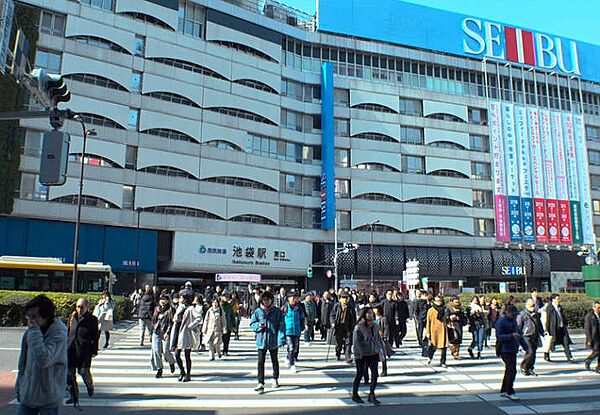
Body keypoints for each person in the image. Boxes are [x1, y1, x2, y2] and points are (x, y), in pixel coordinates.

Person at [15, 295, 68, 415]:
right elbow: (23, 362)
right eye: (28, 316)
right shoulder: (30, 332)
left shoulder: (59, 334)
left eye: (34, 316)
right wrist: (20, 386)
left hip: (49, 397)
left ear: (46, 317)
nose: (30, 320)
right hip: (28, 394)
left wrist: (34, 331)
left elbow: (44, 360)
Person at [250, 291, 285, 394]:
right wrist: (258, 326)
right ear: (262, 300)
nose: (266, 301)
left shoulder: (276, 311)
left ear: (271, 300)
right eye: (265, 299)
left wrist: (281, 338)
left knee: (274, 360)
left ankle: (275, 378)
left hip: (273, 340)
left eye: (268, 299)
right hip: (261, 341)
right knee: (261, 362)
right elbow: (252, 323)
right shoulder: (257, 311)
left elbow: (281, 325)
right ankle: (260, 382)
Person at [66, 298, 99, 407]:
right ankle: (74, 396)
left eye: (82, 307)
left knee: (83, 372)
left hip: (84, 351)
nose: (79, 309)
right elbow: (68, 331)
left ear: (87, 307)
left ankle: (89, 385)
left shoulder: (92, 319)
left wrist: (94, 350)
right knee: (70, 374)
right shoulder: (72, 317)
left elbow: (95, 336)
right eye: (78, 306)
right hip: (71, 349)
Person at [496, 305, 529, 401]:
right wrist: (511, 336)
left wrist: (525, 347)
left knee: (509, 370)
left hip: (513, 348)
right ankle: (509, 390)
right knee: (512, 370)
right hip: (504, 349)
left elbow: (519, 335)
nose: (514, 316)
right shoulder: (501, 322)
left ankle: (504, 389)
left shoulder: (514, 321)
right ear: (508, 313)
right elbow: (499, 337)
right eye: (513, 314)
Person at [351, 307, 382, 405]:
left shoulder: (375, 325)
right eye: (368, 313)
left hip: (373, 352)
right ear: (364, 314)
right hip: (362, 353)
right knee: (360, 374)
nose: (370, 315)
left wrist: (381, 350)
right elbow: (356, 342)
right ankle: (355, 394)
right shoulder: (359, 327)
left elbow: (378, 339)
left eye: (371, 313)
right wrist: (358, 354)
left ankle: (372, 394)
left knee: (375, 373)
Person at [541, 294, 574, 362]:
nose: (559, 300)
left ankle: (569, 356)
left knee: (566, 342)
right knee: (551, 343)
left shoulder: (559, 307)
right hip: (553, 328)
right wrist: (546, 329)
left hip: (561, 327)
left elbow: (562, 316)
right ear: (553, 300)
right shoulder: (550, 307)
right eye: (557, 299)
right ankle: (546, 354)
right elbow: (547, 319)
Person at [151, 295, 176, 378]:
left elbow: (171, 322)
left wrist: (168, 332)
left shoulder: (170, 310)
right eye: (161, 299)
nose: (162, 301)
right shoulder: (157, 309)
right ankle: (159, 369)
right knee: (156, 351)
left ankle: (171, 362)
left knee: (166, 351)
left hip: (165, 332)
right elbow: (153, 321)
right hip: (156, 332)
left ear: (168, 301)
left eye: (164, 299)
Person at [517, 298, 543, 376]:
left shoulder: (536, 313)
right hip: (526, 335)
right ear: (527, 304)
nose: (532, 305)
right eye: (531, 304)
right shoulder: (522, 313)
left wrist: (543, 332)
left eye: (533, 304)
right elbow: (519, 325)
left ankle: (530, 368)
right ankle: (524, 367)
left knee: (533, 353)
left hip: (534, 335)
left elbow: (539, 324)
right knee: (530, 351)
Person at [172, 294, 194, 382]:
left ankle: (188, 374)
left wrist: (191, 325)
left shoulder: (190, 309)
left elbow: (199, 318)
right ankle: (182, 371)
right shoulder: (178, 307)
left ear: (185, 299)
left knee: (187, 355)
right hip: (177, 333)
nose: (179, 299)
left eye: (181, 298)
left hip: (185, 333)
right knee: (177, 354)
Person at [282, 292, 306, 373]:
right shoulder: (285, 307)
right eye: (293, 297)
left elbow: (302, 317)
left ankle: (288, 358)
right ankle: (292, 365)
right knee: (291, 347)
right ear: (288, 298)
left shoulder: (298, 307)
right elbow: (280, 318)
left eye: (295, 298)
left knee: (294, 348)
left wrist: (303, 326)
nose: (294, 299)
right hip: (288, 330)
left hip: (297, 330)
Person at [331, 293, 357, 363]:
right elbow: (332, 315)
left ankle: (348, 357)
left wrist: (354, 325)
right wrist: (333, 323)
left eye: (346, 298)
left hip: (348, 326)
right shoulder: (337, 306)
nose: (345, 300)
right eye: (343, 298)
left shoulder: (350, 306)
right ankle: (338, 353)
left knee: (348, 342)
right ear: (340, 299)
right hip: (339, 326)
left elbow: (354, 317)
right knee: (338, 343)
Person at [425, 295, 448, 368]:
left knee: (444, 347)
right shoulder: (431, 310)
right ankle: (430, 357)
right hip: (434, 330)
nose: (439, 302)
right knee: (433, 346)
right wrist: (427, 332)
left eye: (440, 300)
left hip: (443, 330)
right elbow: (428, 322)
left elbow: (447, 319)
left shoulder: (445, 309)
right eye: (437, 300)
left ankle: (443, 361)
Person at [373, 307, 392, 376]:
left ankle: (384, 370)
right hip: (374, 339)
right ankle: (375, 371)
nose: (374, 311)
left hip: (381, 339)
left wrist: (385, 336)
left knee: (383, 355)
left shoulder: (383, 318)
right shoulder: (372, 319)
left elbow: (386, 328)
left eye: (375, 309)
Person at [584, 301, 600, 373]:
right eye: (598, 308)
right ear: (594, 308)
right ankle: (588, 360)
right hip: (594, 337)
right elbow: (587, 328)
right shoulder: (589, 316)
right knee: (596, 352)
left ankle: (598, 367)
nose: (599, 309)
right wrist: (589, 339)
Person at [414, 291, 430, 357]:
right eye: (425, 296)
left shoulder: (428, 302)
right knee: (420, 331)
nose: (426, 297)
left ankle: (426, 341)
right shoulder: (418, 302)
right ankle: (420, 342)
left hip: (427, 319)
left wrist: (428, 302)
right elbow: (416, 311)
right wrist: (417, 318)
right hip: (420, 319)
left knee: (428, 331)